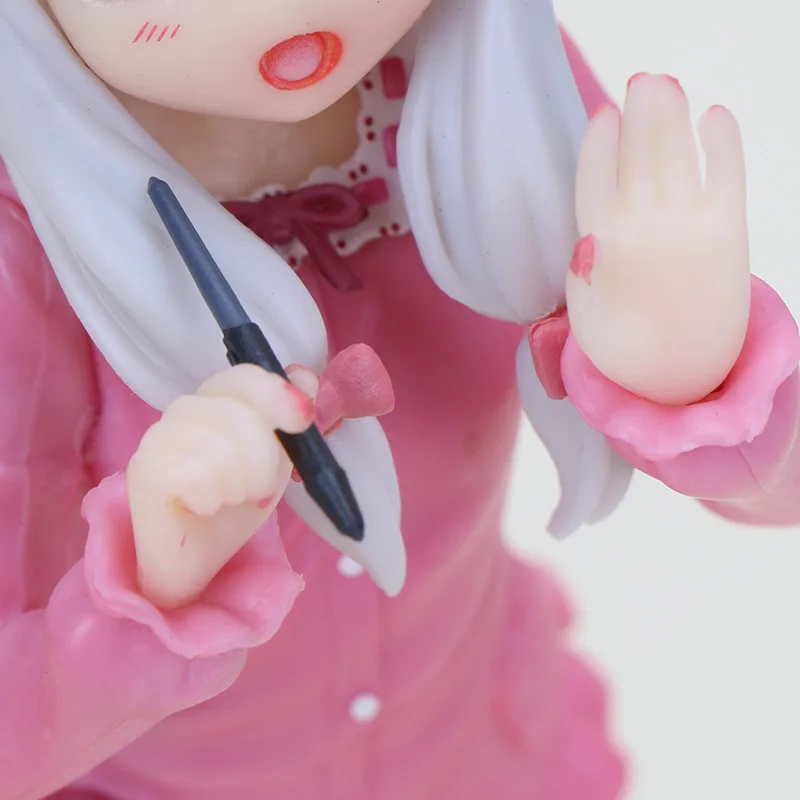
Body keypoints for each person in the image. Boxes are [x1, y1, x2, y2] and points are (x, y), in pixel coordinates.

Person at [0, 1, 797, 798]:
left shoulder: (496, 91)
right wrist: (145, 600)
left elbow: (777, 495)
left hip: (475, 749)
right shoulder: (21, 248)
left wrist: (702, 380)